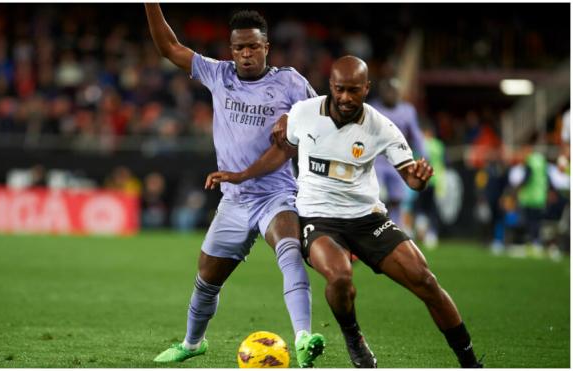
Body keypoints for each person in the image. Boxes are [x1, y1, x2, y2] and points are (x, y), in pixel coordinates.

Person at [206, 56, 483, 368]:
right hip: (319, 220)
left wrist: (417, 181)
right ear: (331, 87)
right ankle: (354, 339)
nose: (346, 98)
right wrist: (241, 175)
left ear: (366, 88)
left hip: (367, 219)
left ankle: (470, 362)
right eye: (340, 89)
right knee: (339, 277)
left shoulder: (381, 126)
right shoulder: (303, 113)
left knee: (426, 281)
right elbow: (281, 152)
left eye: (354, 90)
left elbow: (410, 176)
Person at [144, 4, 325, 367]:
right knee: (206, 279)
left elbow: (322, 122)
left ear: (266, 47)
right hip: (234, 200)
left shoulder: (291, 82)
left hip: (276, 194)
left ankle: (303, 337)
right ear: (231, 50)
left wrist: (296, 118)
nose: (246, 54)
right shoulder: (218, 74)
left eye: (253, 47)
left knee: (289, 251)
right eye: (240, 48)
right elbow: (168, 48)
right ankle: (193, 343)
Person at [369, 78, 427, 233]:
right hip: (377, 161)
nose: (390, 94)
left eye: (393, 91)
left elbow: (415, 134)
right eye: (387, 90)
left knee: (397, 199)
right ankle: (374, 230)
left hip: (398, 161)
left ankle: (395, 230)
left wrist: (423, 154)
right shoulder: (373, 108)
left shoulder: (408, 110)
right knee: (377, 198)